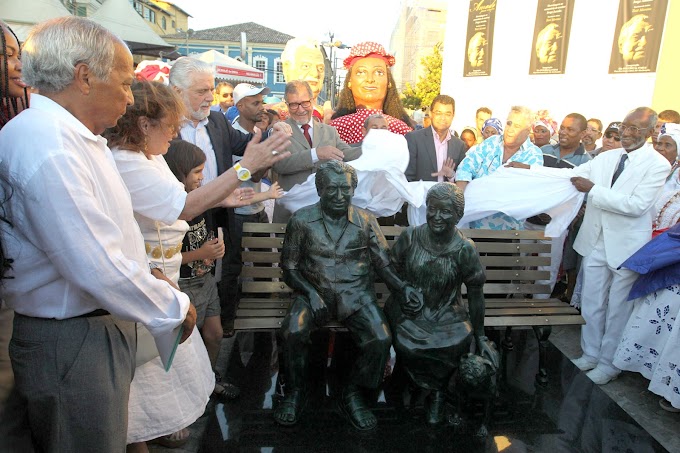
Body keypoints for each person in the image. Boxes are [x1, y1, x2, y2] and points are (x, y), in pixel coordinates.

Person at [0, 17, 196, 451]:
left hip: (85, 333)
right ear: (84, 76)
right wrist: (173, 305)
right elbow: (94, 264)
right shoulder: (49, 146)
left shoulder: (70, 138)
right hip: (72, 340)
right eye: (125, 84)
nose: (130, 98)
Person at [104, 80, 290, 450]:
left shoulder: (149, 156)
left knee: (156, 378)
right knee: (142, 385)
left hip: (164, 280)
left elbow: (191, 197)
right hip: (151, 283)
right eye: (171, 125)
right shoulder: (126, 162)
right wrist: (245, 168)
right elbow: (185, 207)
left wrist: (230, 193)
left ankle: (149, 433)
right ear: (144, 126)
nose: (175, 134)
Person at [512, 107, 671, 385]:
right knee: (591, 302)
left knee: (618, 307)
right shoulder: (607, 156)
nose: (627, 133)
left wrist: (593, 190)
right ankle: (590, 353)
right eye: (625, 126)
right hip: (596, 240)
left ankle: (609, 364)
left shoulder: (658, 165)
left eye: (636, 129)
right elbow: (568, 174)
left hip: (626, 246)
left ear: (650, 133)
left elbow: (636, 206)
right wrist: (529, 169)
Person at [275, 161, 420, 430]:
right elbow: (289, 268)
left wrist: (403, 287)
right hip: (312, 294)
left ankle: (353, 392)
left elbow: (383, 264)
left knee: (381, 338)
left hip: (356, 296)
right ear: (320, 190)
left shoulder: (366, 221)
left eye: (346, 189)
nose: (340, 196)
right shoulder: (301, 221)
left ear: (353, 189)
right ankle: (296, 391)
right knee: (292, 331)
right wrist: (310, 293)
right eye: (333, 189)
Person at [169, 56, 292, 335]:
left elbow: (248, 144)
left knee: (213, 272)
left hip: (216, 215)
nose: (209, 97)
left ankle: (210, 328)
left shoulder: (216, 121)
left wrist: (274, 131)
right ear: (176, 92)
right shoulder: (160, 127)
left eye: (211, 90)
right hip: (174, 222)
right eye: (201, 91)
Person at [385, 183, 497, 424]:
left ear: (458, 215)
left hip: (447, 309)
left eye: (445, 211)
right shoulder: (411, 236)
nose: (437, 216)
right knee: (409, 341)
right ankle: (408, 382)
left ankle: (437, 393)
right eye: (432, 209)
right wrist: (402, 290)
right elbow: (389, 270)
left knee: (457, 337)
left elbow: (476, 293)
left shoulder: (465, 249)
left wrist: (480, 335)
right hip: (408, 307)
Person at [272, 80, 361, 222]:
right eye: (294, 104)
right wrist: (316, 154)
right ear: (287, 105)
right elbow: (279, 165)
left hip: (324, 215)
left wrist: (373, 146)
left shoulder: (329, 131)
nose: (300, 109)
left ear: (313, 101)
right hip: (291, 215)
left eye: (305, 103)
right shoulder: (279, 130)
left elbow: (347, 154)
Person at [455, 106, 543, 230]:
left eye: (517, 126)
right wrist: (459, 197)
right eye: (509, 123)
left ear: (527, 131)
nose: (510, 129)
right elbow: (466, 166)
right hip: (475, 227)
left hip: (508, 232)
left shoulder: (534, 155)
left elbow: (524, 191)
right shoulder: (491, 143)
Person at [330, 41, 413, 144]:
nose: (370, 79)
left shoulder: (402, 129)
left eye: (379, 72)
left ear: (389, 82)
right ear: (349, 82)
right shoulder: (336, 128)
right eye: (361, 72)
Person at [405, 94, 466, 183]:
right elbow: (407, 178)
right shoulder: (414, 139)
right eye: (438, 113)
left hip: (447, 196)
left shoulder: (459, 145)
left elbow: (462, 180)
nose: (443, 118)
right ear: (430, 114)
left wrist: (451, 176)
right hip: (420, 196)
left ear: (453, 116)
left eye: (447, 114)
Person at [281, 38, 326, 120]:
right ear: (286, 68)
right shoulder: (271, 115)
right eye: (306, 66)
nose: (315, 74)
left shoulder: (331, 117)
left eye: (320, 68)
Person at [654, 123, 680, 191]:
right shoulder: (647, 164)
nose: (660, 148)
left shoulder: (678, 174)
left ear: (678, 150)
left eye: (667, 145)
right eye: (659, 144)